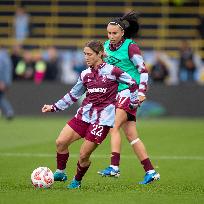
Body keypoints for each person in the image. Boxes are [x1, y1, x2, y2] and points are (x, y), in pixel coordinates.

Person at [41, 40, 138, 189]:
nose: (86, 57)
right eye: (84, 54)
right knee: (60, 142)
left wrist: (132, 102)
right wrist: (54, 107)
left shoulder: (113, 71)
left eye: (89, 54)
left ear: (99, 54)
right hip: (84, 116)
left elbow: (132, 83)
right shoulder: (85, 74)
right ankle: (60, 172)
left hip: (102, 121)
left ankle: (77, 181)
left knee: (83, 155)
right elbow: (73, 95)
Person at [97, 11, 160, 184]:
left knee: (113, 126)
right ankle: (151, 171)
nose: (111, 36)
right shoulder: (106, 47)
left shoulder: (131, 47)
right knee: (132, 135)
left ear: (122, 32)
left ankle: (114, 167)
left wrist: (141, 93)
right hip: (116, 93)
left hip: (130, 91)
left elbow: (143, 70)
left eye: (114, 33)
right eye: (109, 33)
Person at [0, 46, 14, 119]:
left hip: (2, 81)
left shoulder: (1, 57)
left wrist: (1, 81)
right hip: (6, 81)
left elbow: (1, 70)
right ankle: (9, 111)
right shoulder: (8, 58)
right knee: (1, 97)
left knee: (1, 98)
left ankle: (9, 111)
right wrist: (7, 82)